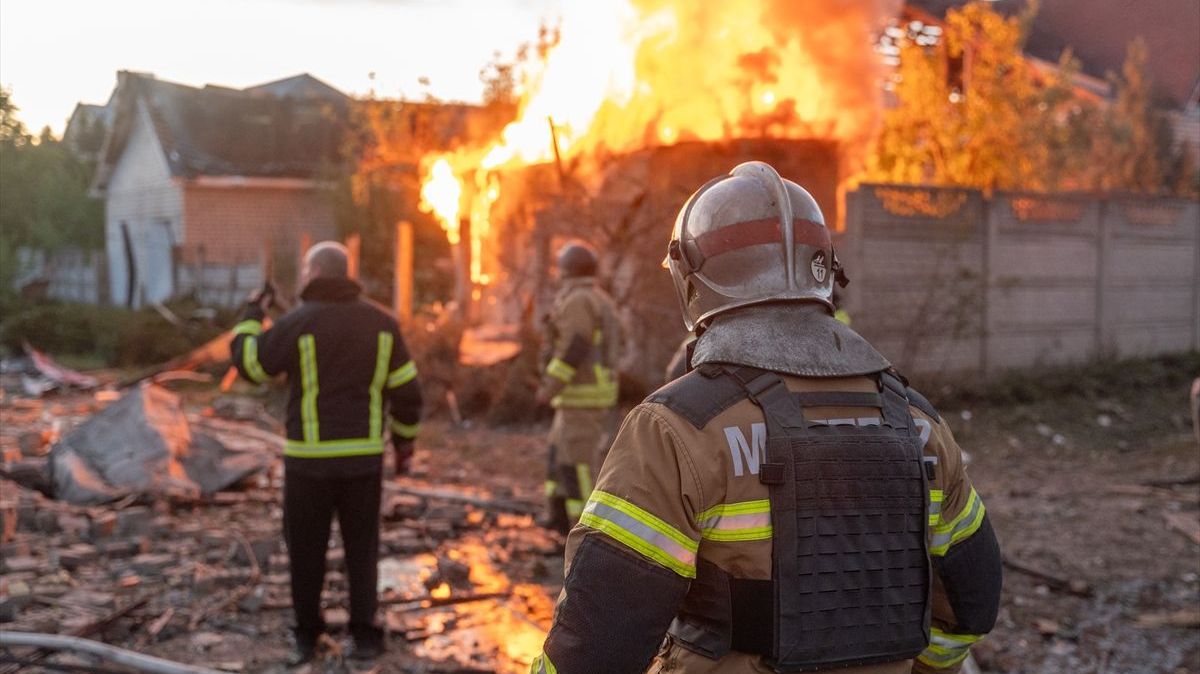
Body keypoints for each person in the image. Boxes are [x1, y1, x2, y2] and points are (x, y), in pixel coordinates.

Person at [532, 162, 1002, 674]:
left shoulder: (677, 428)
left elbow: (596, 644)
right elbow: (971, 605)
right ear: (823, 269)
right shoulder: (920, 424)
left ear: (693, 281)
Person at [229, 241, 423, 664]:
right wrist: (403, 446)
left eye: (304, 270)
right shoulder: (383, 324)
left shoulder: (298, 322)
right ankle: (366, 637)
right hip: (363, 461)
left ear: (315, 273)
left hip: (308, 463)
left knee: (306, 550)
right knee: (361, 549)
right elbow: (409, 393)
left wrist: (250, 316)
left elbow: (252, 363)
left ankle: (306, 634)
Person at [536, 242, 623, 534]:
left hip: (582, 396)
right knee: (559, 457)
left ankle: (587, 533)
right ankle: (560, 520)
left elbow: (575, 347)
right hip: (579, 397)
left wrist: (549, 386)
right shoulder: (595, 297)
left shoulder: (578, 301)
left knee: (579, 467)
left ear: (566, 271)